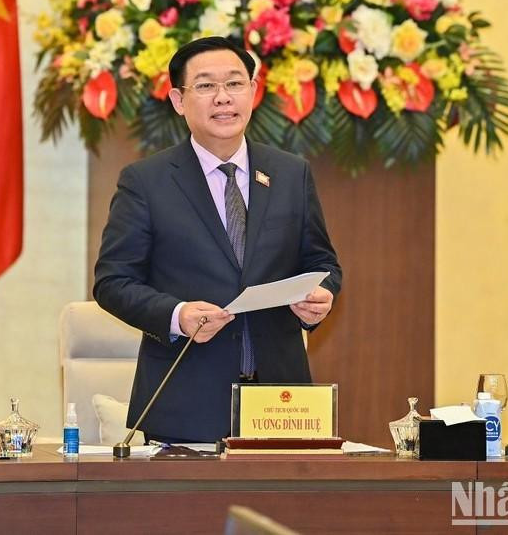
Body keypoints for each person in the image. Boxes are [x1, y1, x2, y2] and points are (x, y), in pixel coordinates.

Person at [93, 36, 342, 443]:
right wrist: (177, 315)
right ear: (177, 100)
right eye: (206, 86)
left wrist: (321, 295)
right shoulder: (146, 181)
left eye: (235, 83)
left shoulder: (291, 173)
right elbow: (112, 282)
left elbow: (323, 263)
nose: (223, 98)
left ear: (253, 91)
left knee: (278, 509)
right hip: (186, 402)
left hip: (282, 404)